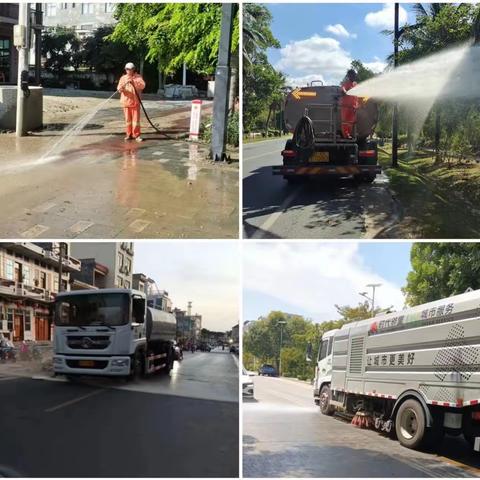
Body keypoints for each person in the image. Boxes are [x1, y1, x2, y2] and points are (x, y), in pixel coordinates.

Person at [117, 62, 146, 142]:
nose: (128, 71)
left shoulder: (138, 77)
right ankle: (128, 134)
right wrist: (121, 89)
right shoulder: (123, 78)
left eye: (129, 69)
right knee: (128, 120)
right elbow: (119, 88)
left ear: (133, 69)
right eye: (126, 69)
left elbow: (143, 85)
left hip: (135, 103)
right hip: (126, 103)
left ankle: (136, 135)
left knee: (136, 121)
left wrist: (134, 82)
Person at [340, 69, 359, 139]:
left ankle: (349, 134)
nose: (353, 76)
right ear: (349, 76)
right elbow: (343, 89)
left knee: (351, 122)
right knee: (345, 121)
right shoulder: (346, 83)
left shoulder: (355, 84)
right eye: (352, 75)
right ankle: (345, 135)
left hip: (353, 107)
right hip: (346, 106)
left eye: (354, 75)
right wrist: (344, 91)